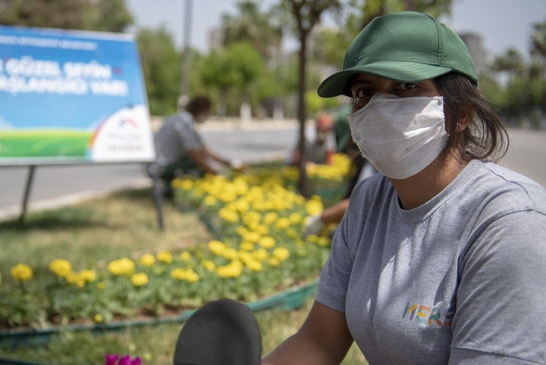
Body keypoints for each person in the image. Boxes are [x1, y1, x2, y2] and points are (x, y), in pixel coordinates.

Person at [175, 11, 546, 365]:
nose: (380, 106)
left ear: (461, 112)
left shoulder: (510, 224)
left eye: (405, 86)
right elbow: (319, 342)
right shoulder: (370, 202)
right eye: (365, 92)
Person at [151, 96, 245, 194]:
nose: (208, 115)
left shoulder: (180, 119)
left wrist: (230, 163)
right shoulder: (184, 123)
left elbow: (204, 150)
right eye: (208, 111)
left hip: (157, 163)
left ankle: (174, 188)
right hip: (163, 166)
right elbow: (196, 156)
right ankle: (174, 190)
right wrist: (215, 175)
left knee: (196, 162)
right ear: (202, 110)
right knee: (194, 164)